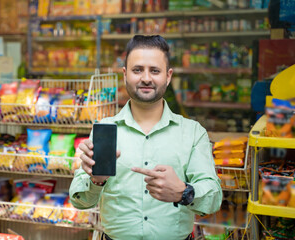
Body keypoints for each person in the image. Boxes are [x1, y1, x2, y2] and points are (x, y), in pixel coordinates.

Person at [69, 35, 222, 240]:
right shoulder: (105, 129)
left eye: (155, 70)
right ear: (125, 74)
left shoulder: (193, 132)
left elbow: (214, 198)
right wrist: (96, 181)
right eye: (137, 70)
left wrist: (183, 192)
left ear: (168, 76)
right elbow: (80, 201)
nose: (146, 78)